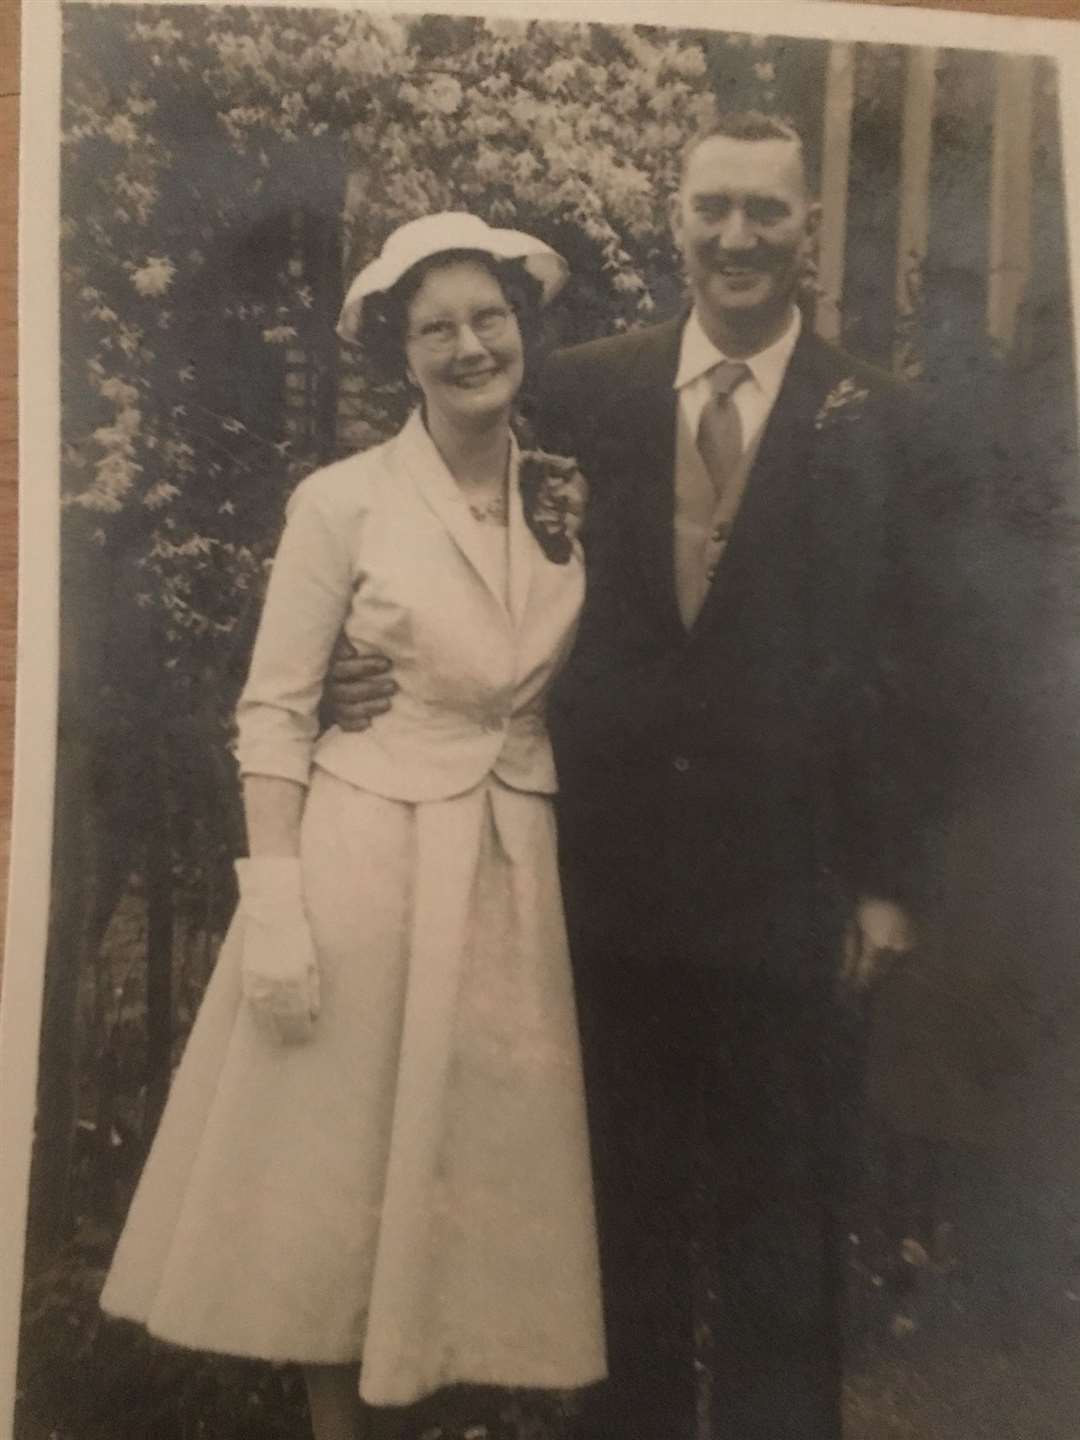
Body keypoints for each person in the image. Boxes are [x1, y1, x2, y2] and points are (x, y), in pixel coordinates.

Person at [328, 115, 971, 1440]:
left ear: (806, 232)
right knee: (618, 1218)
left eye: (767, 214)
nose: (738, 237)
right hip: (602, 885)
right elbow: (423, 529)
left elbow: (920, 664)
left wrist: (889, 883)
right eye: (715, 209)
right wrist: (346, 657)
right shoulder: (583, 393)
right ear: (677, 221)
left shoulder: (883, 422)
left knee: (786, 1226)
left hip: (793, 894)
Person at [100, 212, 605, 1440]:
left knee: (467, 1189)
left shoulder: (563, 492)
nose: (470, 346)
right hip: (371, 861)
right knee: (337, 1183)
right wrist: (274, 900)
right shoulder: (342, 502)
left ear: (523, 329)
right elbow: (273, 706)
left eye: (489, 318)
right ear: (402, 355)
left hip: (506, 869)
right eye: (436, 329)